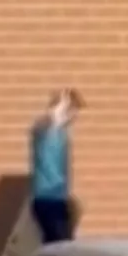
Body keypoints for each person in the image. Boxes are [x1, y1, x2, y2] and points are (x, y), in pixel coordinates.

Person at [29, 88, 84, 244]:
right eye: (72, 111)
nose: (74, 116)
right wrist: (60, 107)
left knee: (60, 244)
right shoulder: (45, 129)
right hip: (47, 199)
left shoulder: (61, 133)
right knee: (60, 245)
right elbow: (46, 124)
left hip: (58, 198)